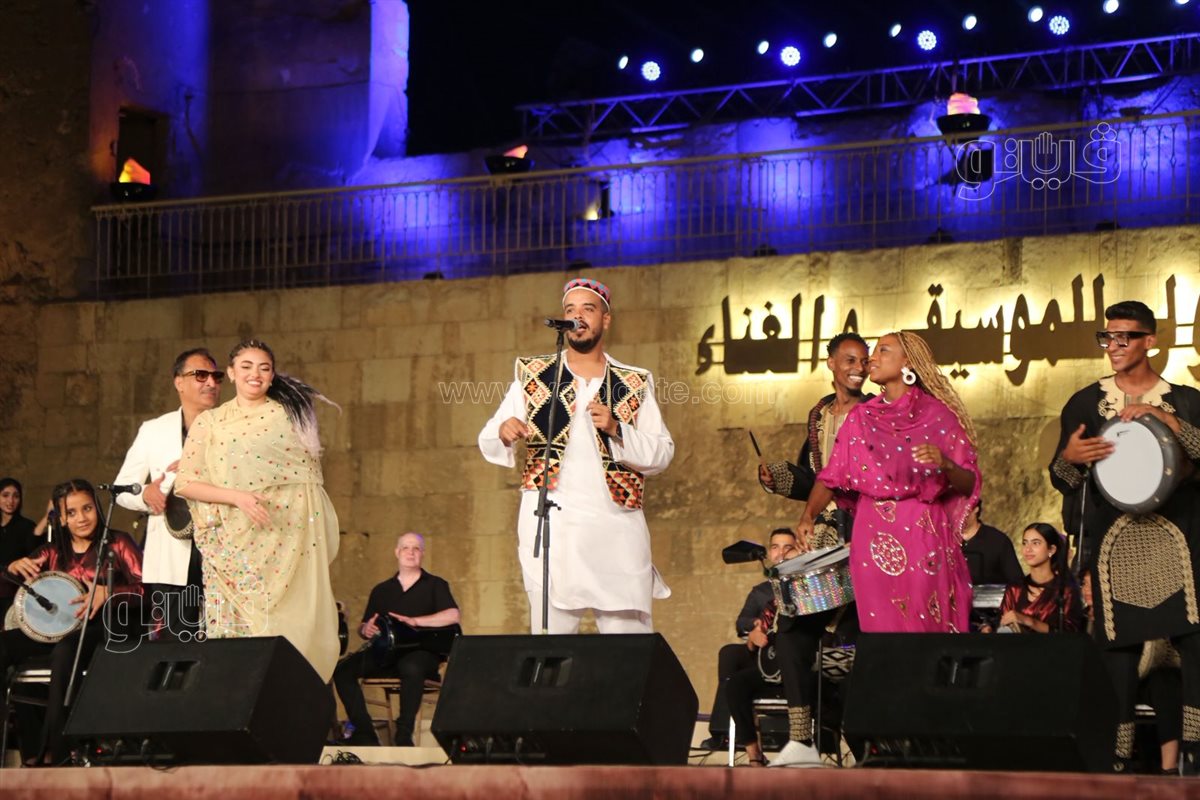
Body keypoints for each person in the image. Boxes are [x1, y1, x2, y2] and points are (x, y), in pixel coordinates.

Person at [1048, 300, 1200, 772]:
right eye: (1107, 337)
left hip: (1180, 538)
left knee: (1194, 643)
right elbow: (1062, 479)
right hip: (1117, 541)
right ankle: (1116, 760)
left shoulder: (1186, 400)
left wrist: (1173, 423)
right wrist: (1070, 458)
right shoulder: (1085, 403)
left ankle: (1193, 754)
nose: (1113, 346)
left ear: (1150, 341)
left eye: (1124, 337)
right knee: (1117, 649)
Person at [478, 278, 674, 634]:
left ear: (606, 320)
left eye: (588, 309)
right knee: (551, 646)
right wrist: (503, 431)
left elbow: (662, 452)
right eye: (570, 310)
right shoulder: (535, 375)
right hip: (555, 528)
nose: (578, 316)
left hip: (616, 530)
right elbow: (490, 435)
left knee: (626, 651)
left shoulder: (633, 381)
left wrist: (618, 429)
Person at [176, 339, 341, 682]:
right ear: (231, 373)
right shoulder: (211, 422)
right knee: (236, 637)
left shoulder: (289, 416)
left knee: (287, 627)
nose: (255, 374)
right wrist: (236, 497)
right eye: (247, 367)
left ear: (272, 375)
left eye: (264, 368)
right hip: (232, 545)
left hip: (286, 541)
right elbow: (186, 483)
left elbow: (308, 480)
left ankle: (286, 694)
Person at [798, 331, 980, 633]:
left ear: (907, 362)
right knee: (881, 628)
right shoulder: (861, 418)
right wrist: (808, 515)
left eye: (883, 350)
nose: (872, 359)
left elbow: (968, 484)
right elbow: (831, 475)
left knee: (922, 625)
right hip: (872, 538)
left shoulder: (937, 415)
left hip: (922, 533)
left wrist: (946, 464)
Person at [1, 479, 143, 766]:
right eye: (72, 512)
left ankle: (61, 754)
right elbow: (14, 585)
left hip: (101, 629)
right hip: (54, 629)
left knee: (66, 651)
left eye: (87, 508)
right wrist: (10, 569)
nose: (82, 518)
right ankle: (29, 751)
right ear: (62, 518)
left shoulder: (118, 542)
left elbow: (147, 590)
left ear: (97, 508)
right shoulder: (52, 551)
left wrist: (108, 592)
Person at [112, 348, 222, 639]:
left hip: (222, 547)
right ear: (179, 382)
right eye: (201, 375)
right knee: (177, 640)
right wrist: (145, 494)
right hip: (172, 551)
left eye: (216, 376)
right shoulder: (154, 430)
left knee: (224, 641)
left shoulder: (231, 427)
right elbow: (121, 489)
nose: (211, 382)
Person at [333, 532, 461, 747]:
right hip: (387, 654)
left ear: (422, 553)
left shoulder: (435, 584)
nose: (410, 552)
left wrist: (415, 621)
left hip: (422, 653)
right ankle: (365, 734)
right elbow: (364, 627)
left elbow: (453, 616)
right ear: (397, 552)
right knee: (343, 670)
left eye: (416, 548)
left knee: (411, 666)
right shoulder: (382, 590)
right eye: (405, 548)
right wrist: (366, 629)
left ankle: (403, 734)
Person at [759, 333, 872, 545]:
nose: (859, 368)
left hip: (867, 519)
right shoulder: (820, 415)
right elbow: (815, 477)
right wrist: (775, 478)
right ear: (831, 363)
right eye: (850, 360)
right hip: (826, 521)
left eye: (865, 362)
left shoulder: (875, 412)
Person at [700, 528, 799, 755]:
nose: (781, 553)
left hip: (789, 657)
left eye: (788, 547)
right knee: (729, 653)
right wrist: (754, 627)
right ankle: (725, 731)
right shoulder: (761, 592)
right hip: (761, 652)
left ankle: (727, 728)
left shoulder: (805, 586)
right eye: (775, 547)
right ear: (769, 553)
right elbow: (741, 622)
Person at [994, 523, 1084, 633]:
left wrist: (1030, 621)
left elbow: (1070, 633)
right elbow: (1002, 625)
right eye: (1025, 543)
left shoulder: (1065, 590)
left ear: (1051, 550)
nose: (1028, 549)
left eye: (1036, 543)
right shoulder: (1014, 588)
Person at [0, 478, 52, 619]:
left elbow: (34, 544)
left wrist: (47, 516)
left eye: (16, 496)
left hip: (14, 592)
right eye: (5, 495)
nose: (11, 501)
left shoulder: (26, 526)